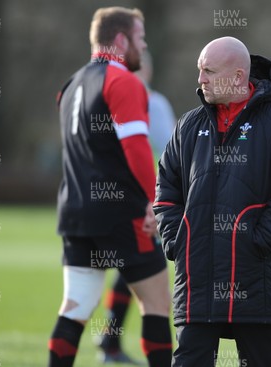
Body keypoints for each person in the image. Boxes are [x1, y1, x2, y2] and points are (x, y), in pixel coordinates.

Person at [153, 36, 271, 367]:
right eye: (200, 70)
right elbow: (166, 189)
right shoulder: (188, 126)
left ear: (239, 76)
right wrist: (177, 239)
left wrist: (258, 240)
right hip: (197, 281)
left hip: (258, 283)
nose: (200, 79)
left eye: (209, 71)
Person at [48, 7, 171, 367]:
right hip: (120, 214)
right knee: (157, 303)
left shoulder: (70, 85)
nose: (144, 44)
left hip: (74, 213)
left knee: (76, 308)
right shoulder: (124, 82)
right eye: (140, 37)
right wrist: (154, 202)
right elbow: (136, 150)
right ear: (121, 40)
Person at [97, 49, 176, 366]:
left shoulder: (102, 97)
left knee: (125, 272)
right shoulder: (151, 101)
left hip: (103, 201)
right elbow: (173, 150)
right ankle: (114, 344)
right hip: (142, 201)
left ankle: (109, 340)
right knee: (152, 283)